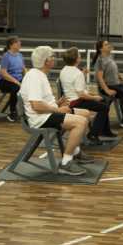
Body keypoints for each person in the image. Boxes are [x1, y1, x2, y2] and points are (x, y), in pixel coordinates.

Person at [19, 45, 89, 176]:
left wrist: (57, 104)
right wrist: (58, 110)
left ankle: (74, 150)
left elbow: (40, 102)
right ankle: (66, 162)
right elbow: (36, 106)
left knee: (84, 114)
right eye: (52, 57)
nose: (54, 59)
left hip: (46, 114)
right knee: (81, 122)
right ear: (46, 61)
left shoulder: (39, 74)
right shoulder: (34, 77)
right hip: (40, 119)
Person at [59, 47, 118, 143]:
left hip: (71, 100)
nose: (80, 56)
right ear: (77, 59)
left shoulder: (64, 70)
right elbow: (81, 95)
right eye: (79, 55)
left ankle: (104, 130)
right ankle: (93, 134)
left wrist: (82, 74)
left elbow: (73, 82)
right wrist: (95, 97)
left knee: (104, 102)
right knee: (104, 107)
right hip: (77, 102)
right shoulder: (77, 73)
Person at [0, 37, 26, 122]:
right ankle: (12, 112)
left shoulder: (20, 55)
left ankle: (27, 111)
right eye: (17, 43)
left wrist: (28, 78)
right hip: (5, 81)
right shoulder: (6, 56)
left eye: (19, 42)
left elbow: (23, 69)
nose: (19, 44)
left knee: (29, 86)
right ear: (11, 45)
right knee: (16, 88)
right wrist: (16, 81)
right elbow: (4, 73)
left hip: (17, 80)